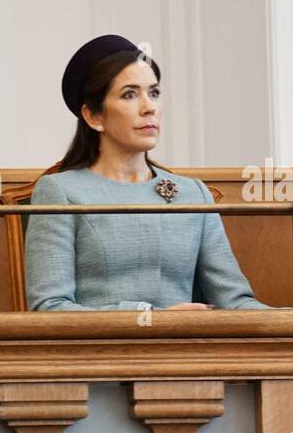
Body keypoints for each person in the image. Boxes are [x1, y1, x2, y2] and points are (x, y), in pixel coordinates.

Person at [26, 34, 268, 311]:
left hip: (186, 351)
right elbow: (49, 308)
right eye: (130, 95)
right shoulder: (60, 191)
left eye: (154, 93)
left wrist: (292, 322)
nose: (149, 107)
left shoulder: (193, 193)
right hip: (100, 352)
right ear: (94, 116)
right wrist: (152, 318)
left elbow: (234, 301)